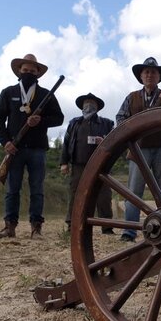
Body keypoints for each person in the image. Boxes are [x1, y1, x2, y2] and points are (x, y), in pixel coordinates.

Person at [0, 54, 64, 238]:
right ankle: (9, 227)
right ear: (19, 71)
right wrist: (5, 142)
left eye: (32, 71)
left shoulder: (46, 95)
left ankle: (36, 228)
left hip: (37, 149)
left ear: (38, 74)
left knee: (37, 190)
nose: (28, 73)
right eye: (25, 70)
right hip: (14, 149)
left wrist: (41, 120)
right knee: (12, 189)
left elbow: (59, 118)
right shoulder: (8, 92)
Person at [116, 57, 161, 242]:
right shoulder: (132, 97)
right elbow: (120, 119)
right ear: (141, 76)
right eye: (146, 72)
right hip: (139, 149)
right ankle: (129, 231)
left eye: (153, 72)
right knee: (134, 192)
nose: (150, 75)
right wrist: (133, 135)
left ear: (159, 77)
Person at [60, 93, 114, 233]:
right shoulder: (74, 123)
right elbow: (66, 143)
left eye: (92, 103)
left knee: (104, 196)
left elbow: (115, 143)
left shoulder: (107, 123)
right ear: (82, 106)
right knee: (76, 194)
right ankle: (72, 225)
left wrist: (104, 142)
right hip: (78, 165)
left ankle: (107, 227)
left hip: (101, 165)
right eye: (86, 103)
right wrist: (64, 162)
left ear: (97, 107)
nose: (89, 105)